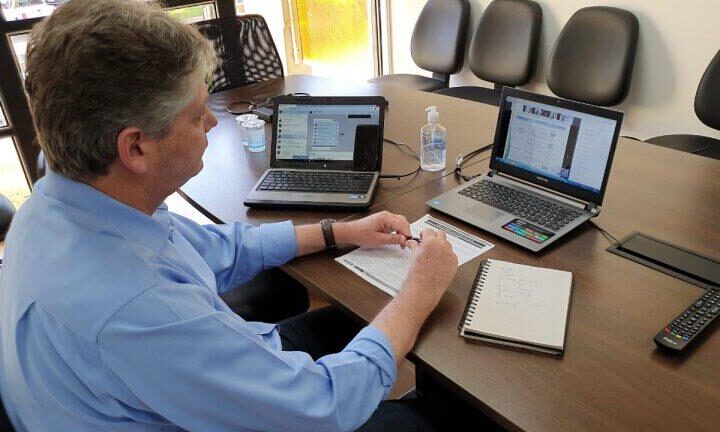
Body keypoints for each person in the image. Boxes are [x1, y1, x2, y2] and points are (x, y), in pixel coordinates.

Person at [0, 1, 458, 431]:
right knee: (451, 411)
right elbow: (325, 407)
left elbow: (219, 248)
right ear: (136, 147)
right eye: (196, 114)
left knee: (357, 319)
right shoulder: (137, 303)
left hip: (171, 386)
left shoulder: (63, 201)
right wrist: (422, 287)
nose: (212, 122)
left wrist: (339, 231)